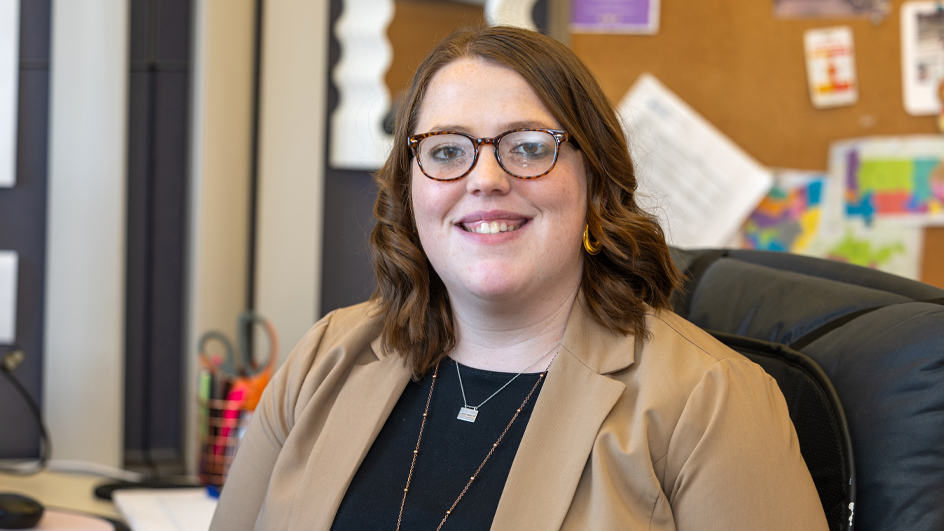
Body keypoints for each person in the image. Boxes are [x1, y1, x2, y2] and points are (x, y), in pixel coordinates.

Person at [210, 26, 828, 531]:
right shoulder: (326, 357)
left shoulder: (711, 403)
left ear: (596, 183)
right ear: (411, 189)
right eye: (447, 150)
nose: (485, 180)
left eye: (530, 147)